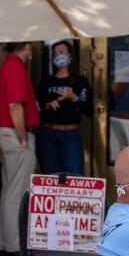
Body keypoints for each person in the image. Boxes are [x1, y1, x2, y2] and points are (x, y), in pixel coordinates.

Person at [0, 42, 40, 256]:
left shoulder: (9, 65)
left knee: (9, 191)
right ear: (26, 46)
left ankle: (4, 244)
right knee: (17, 192)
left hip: (9, 133)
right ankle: (14, 246)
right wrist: (23, 136)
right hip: (15, 134)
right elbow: (15, 105)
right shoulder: (15, 67)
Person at [36, 40, 91, 176]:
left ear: (70, 57)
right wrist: (49, 105)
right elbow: (37, 107)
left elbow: (89, 110)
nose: (58, 56)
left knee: (74, 178)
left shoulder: (80, 81)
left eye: (61, 52)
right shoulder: (46, 81)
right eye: (55, 53)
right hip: (48, 135)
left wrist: (73, 97)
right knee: (50, 180)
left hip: (71, 136)